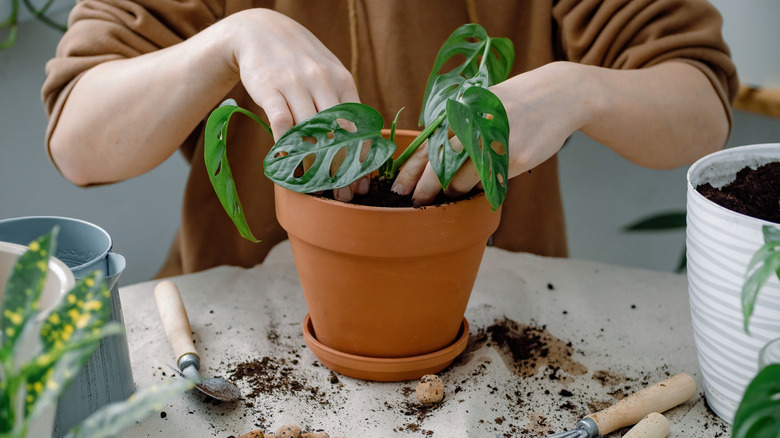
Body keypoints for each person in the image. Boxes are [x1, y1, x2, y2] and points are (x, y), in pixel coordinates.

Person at [42, 0, 738, 278]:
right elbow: (81, 140)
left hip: (496, 315)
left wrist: (579, 88)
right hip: (240, 321)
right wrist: (229, 40)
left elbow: (699, 105)